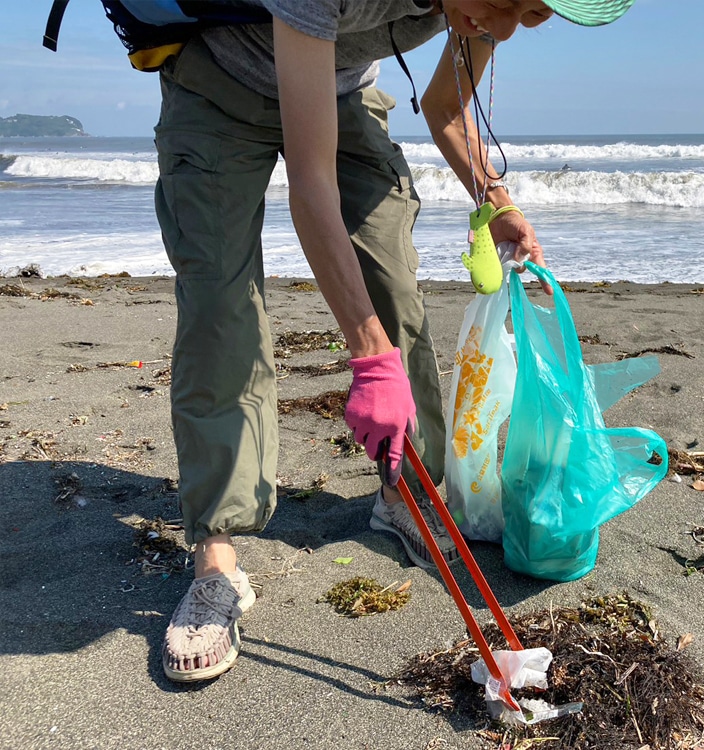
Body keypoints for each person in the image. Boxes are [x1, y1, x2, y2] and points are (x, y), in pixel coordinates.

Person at [155, 0, 635, 682]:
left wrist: (493, 196)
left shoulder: (482, 8)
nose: (504, 28)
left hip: (344, 87)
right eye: (507, 3)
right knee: (221, 311)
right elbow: (311, 183)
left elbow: (444, 105)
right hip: (222, 88)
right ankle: (215, 554)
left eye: (532, 15)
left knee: (394, 290)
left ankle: (403, 493)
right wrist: (368, 356)